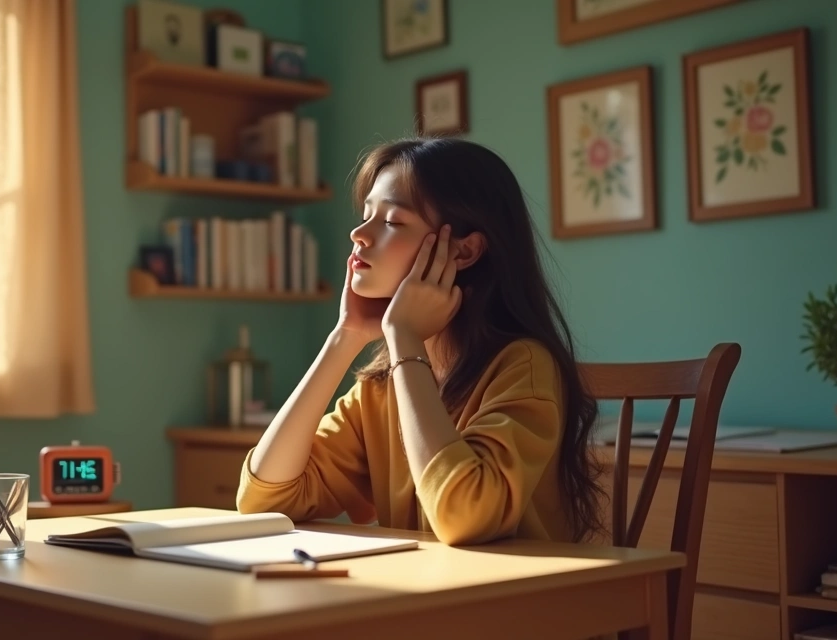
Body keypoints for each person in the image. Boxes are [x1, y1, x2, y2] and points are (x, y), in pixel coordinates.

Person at [236, 137, 605, 546]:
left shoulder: (523, 366)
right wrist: (345, 336)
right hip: (427, 599)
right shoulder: (382, 388)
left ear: (463, 252)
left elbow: (465, 518)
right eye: (365, 215)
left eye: (391, 222)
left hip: (513, 603)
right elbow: (263, 500)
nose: (358, 234)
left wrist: (404, 337)